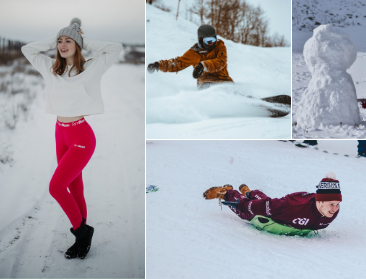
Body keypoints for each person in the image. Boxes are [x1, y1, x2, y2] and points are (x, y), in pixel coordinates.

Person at [21, 18, 123, 259]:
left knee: (56, 187)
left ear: (77, 44)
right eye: (60, 41)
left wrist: (83, 39)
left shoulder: (91, 67)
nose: (62, 44)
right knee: (74, 188)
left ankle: (82, 232)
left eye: (68, 40)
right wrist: (55, 37)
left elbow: (116, 48)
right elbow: (27, 50)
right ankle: (82, 240)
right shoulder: (50, 68)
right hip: (60, 132)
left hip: (81, 135)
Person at [203, 172, 342, 235]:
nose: (335, 209)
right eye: (331, 204)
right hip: (271, 222)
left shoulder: (330, 210)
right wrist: (241, 205)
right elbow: (266, 206)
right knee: (247, 212)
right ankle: (226, 192)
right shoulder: (294, 206)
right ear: (320, 201)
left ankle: (250, 192)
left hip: (278, 210)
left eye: (337, 204)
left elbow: (270, 204)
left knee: (270, 203)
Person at [147, 24, 233, 90]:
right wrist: (158, 65)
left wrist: (203, 66)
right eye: (208, 41)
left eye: (213, 39)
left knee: (230, 91)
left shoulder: (219, 45)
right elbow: (178, 63)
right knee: (213, 91)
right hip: (206, 82)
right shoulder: (194, 53)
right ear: (200, 40)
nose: (211, 43)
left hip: (224, 80)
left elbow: (221, 62)